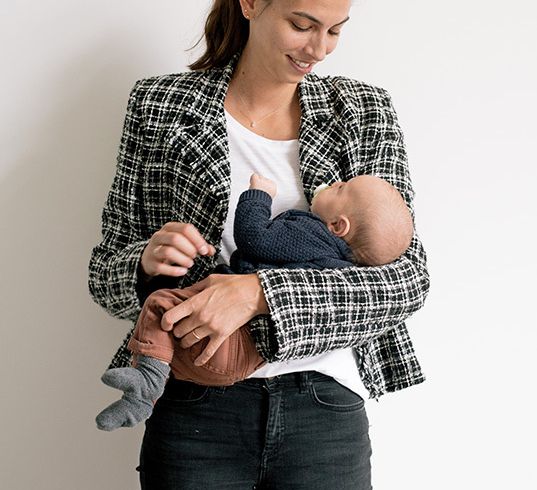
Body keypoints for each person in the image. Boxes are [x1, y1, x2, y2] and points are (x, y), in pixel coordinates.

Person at [88, 0, 429, 490]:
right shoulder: (160, 107)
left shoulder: (363, 112)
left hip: (324, 414)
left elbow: (405, 281)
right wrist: (145, 260)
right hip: (194, 411)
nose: (319, 48)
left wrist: (258, 292)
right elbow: (104, 272)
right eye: (302, 23)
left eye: (335, 30)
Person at [95, 170, 414, 431]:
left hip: (230, 344)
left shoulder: (310, 233)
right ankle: (143, 393)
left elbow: (253, 239)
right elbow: (105, 270)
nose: (333, 181)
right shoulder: (340, 264)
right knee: (172, 350)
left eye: (341, 188)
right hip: (247, 358)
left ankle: (145, 387)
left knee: (160, 305)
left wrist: (258, 196)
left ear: (337, 225)